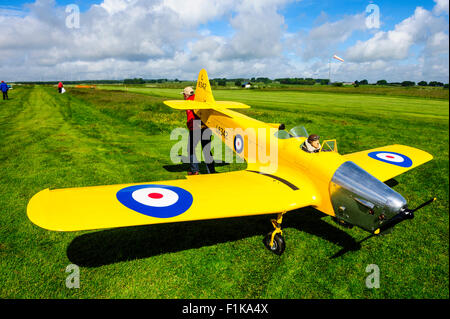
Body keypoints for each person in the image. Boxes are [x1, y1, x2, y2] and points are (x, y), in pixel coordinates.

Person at [183, 87, 216, 175]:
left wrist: (191, 127)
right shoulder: (200, 99)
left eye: (183, 94)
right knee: (206, 149)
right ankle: (211, 171)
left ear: (186, 95)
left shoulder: (188, 102)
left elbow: (191, 117)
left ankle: (195, 170)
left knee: (191, 149)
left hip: (195, 128)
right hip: (206, 126)